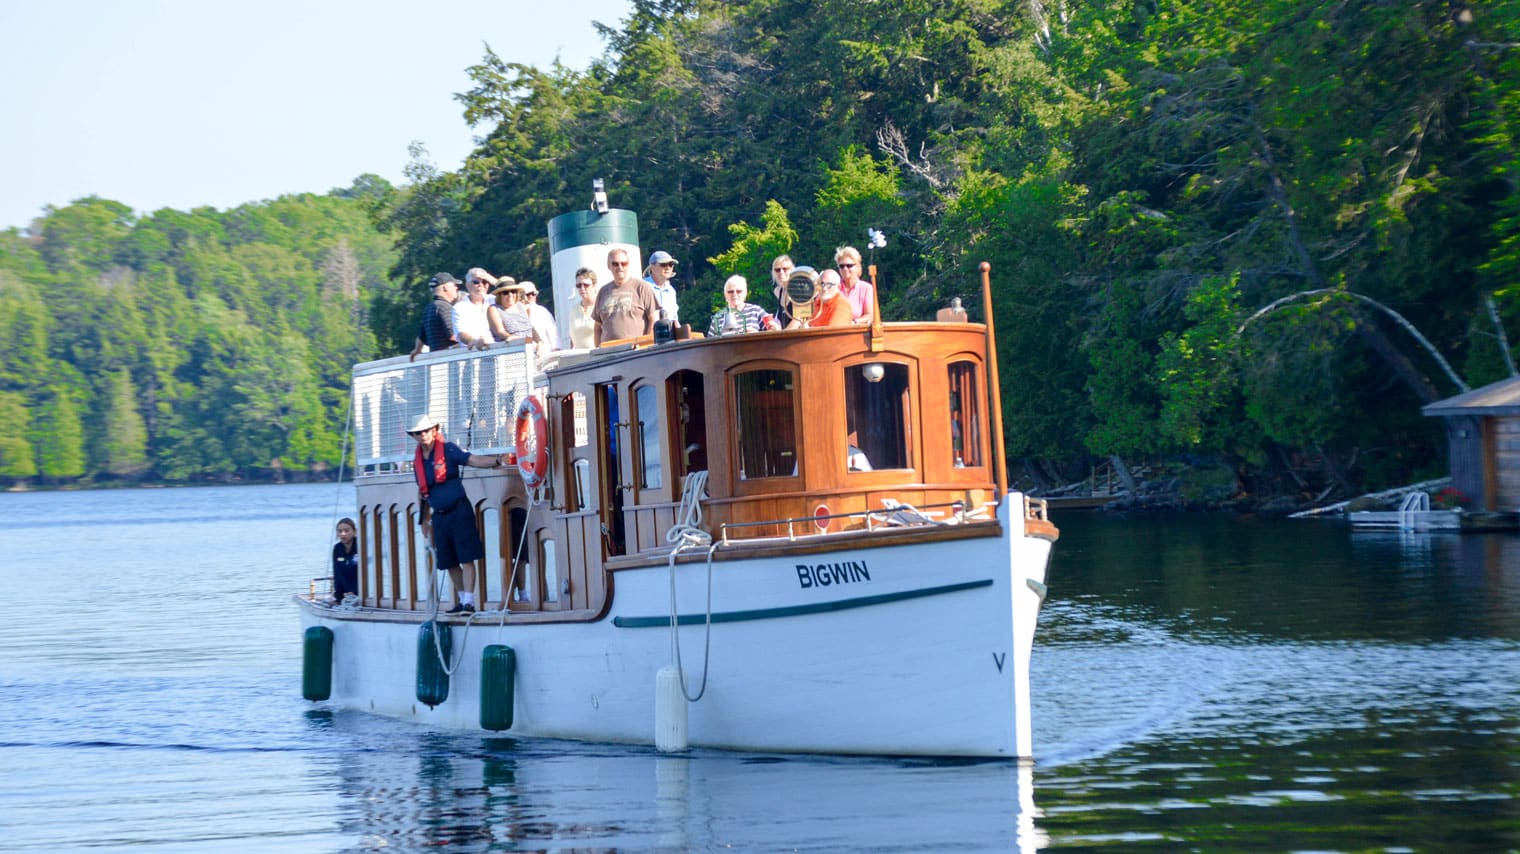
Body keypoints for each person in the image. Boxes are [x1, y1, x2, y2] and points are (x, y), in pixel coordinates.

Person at [407, 413, 508, 615]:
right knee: (449, 561)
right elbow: (422, 492)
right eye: (418, 433)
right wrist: (423, 520)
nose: (423, 435)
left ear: (434, 430)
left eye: (426, 430)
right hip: (439, 516)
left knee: (466, 557)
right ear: (414, 437)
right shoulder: (417, 462)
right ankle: (462, 601)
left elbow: (472, 460)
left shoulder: (448, 449)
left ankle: (469, 602)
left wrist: (496, 460)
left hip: (459, 511)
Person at [593, 248, 659, 344]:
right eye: (615, 264)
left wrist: (645, 345)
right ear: (608, 266)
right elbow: (597, 327)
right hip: (608, 353)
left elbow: (653, 320)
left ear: (628, 264)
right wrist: (598, 350)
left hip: (634, 352)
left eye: (624, 263)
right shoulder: (603, 291)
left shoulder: (642, 287)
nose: (620, 267)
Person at [409, 272, 462, 361]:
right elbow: (452, 335)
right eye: (454, 285)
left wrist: (417, 350)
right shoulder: (444, 307)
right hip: (448, 360)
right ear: (445, 288)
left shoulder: (429, 308)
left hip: (436, 360)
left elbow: (421, 337)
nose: (456, 288)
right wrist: (470, 341)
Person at [708, 275, 778, 337]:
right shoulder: (718, 317)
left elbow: (774, 333)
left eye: (739, 291)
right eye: (730, 292)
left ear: (745, 293)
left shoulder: (756, 311)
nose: (734, 294)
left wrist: (756, 335)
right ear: (725, 295)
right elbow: (709, 345)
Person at [452, 268, 496, 350]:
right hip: (475, 352)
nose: (481, 285)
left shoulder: (494, 300)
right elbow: (461, 334)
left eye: (485, 282)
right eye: (476, 282)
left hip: (498, 348)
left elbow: (512, 293)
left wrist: (494, 281)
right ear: (467, 285)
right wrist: (476, 341)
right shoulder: (459, 307)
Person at [835, 245, 875, 325]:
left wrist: (854, 322)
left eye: (849, 265)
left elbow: (869, 315)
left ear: (858, 267)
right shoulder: (833, 288)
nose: (845, 269)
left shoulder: (866, 288)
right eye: (841, 266)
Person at [520, 281, 560, 354]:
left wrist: (556, 350)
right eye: (528, 294)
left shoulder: (543, 311)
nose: (531, 296)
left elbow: (553, 334)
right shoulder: (515, 313)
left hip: (545, 354)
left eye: (533, 293)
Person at [644, 250, 681, 324]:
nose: (668, 268)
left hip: (669, 333)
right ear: (652, 267)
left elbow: (674, 318)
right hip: (648, 333)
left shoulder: (671, 291)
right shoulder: (643, 286)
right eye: (663, 264)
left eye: (670, 264)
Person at [567, 267, 600, 349]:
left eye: (586, 285)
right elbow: (572, 340)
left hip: (598, 357)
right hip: (578, 358)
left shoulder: (601, 307)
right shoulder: (573, 310)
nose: (582, 288)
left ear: (594, 285)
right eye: (578, 285)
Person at [332, 517, 359, 603]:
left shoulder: (361, 546)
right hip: (346, 596)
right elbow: (337, 575)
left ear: (355, 532)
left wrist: (356, 592)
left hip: (362, 594)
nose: (343, 534)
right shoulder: (337, 549)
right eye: (340, 531)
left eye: (346, 531)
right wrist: (338, 598)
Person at [769, 254, 797, 328]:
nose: (781, 272)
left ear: (792, 270)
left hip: (799, 335)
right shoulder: (778, 291)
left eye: (785, 269)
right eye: (777, 270)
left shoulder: (798, 290)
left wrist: (783, 335)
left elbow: (798, 320)